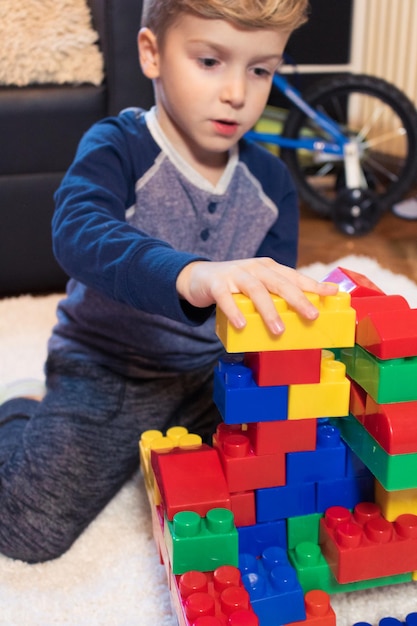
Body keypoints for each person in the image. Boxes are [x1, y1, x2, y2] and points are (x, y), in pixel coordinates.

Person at [0, 0, 336, 563]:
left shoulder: (272, 181)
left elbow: (270, 299)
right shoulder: (118, 146)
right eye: (210, 61)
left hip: (213, 373)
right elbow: (77, 231)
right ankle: (20, 408)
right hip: (111, 366)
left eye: (260, 70)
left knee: (293, 489)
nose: (237, 92)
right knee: (28, 528)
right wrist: (188, 273)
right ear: (152, 54)